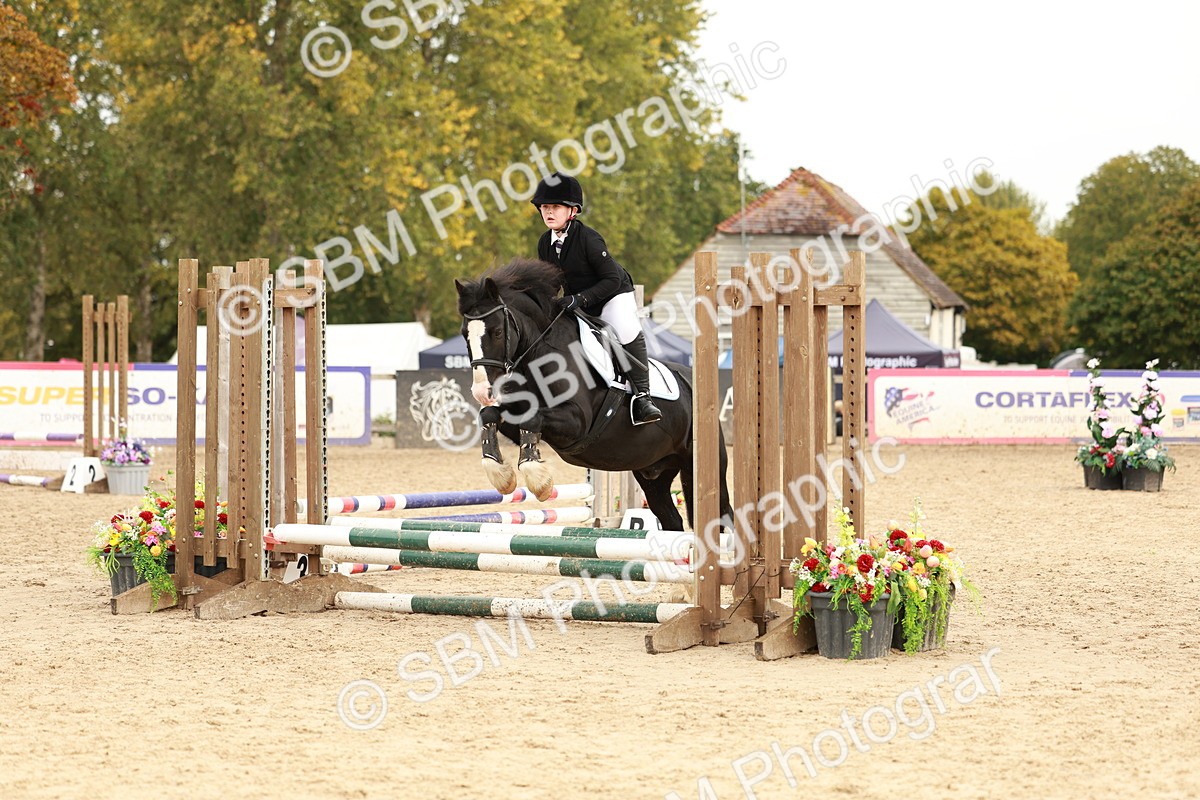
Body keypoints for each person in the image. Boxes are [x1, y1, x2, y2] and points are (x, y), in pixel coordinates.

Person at [531, 172, 662, 425]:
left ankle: (644, 397)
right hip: (579, 302)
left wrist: (579, 299)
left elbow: (611, 279)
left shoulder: (589, 239)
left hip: (613, 295)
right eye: (545, 207)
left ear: (573, 211)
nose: (548, 212)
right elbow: (551, 282)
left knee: (624, 330)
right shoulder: (544, 243)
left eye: (555, 207)